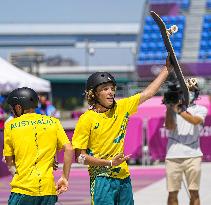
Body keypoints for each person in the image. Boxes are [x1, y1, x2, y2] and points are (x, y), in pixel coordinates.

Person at [72, 53, 172, 205]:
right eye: (105, 89)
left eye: (112, 88)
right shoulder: (86, 119)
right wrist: (109, 163)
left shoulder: (122, 107)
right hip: (101, 179)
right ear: (94, 94)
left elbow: (148, 93)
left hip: (123, 177)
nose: (111, 92)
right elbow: (80, 157)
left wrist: (166, 69)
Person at [3, 87, 73, 205]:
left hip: (22, 191)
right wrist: (64, 177)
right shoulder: (53, 122)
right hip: (48, 191)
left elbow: (9, 162)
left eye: (12, 109)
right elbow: (69, 148)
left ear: (19, 107)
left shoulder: (11, 125)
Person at [165, 78, 208, 205]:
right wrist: (169, 108)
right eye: (186, 90)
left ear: (196, 93)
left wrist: (179, 110)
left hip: (193, 155)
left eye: (192, 90)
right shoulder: (172, 108)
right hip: (173, 155)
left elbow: (195, 121)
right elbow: (169, 126)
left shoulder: (201, 109)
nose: (189, 93)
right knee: (172, 193)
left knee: (194, 191)